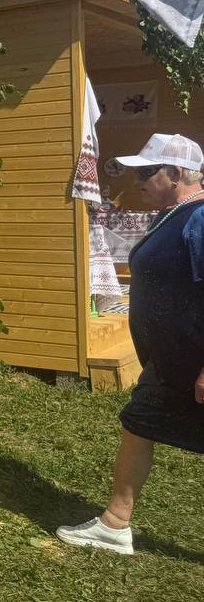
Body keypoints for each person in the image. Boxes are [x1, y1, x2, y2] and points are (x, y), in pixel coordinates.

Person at [57, 133, 204, 554]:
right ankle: (116, 523)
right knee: (137, 425)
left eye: (145, 171)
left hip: (192, 365)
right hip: (169, 366)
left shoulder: (199, 219)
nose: (136, 180)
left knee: (137, 425)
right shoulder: (173, 213)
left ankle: (115, 523)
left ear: (175, 174)